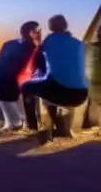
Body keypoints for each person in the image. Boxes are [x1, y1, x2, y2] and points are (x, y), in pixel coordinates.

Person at [21, 15, 88, 143]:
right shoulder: (78, 43)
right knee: (49, 85)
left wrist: (36, 41)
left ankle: (32, 127)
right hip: (82, 94)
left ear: (51, 27)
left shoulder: (50, 40)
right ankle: (60, 128)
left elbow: (38, 58)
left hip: (62, 93)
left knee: (27, 87)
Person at [0, 21, 43, 133]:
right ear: (31, 33)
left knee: (6, 97)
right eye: (38, 32)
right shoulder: (32, 47)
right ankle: (29, 125)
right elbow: (38, 67)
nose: (40, 34)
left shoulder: (8, 44)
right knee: (30, 91)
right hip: (13, 83)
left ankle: (12, 124)